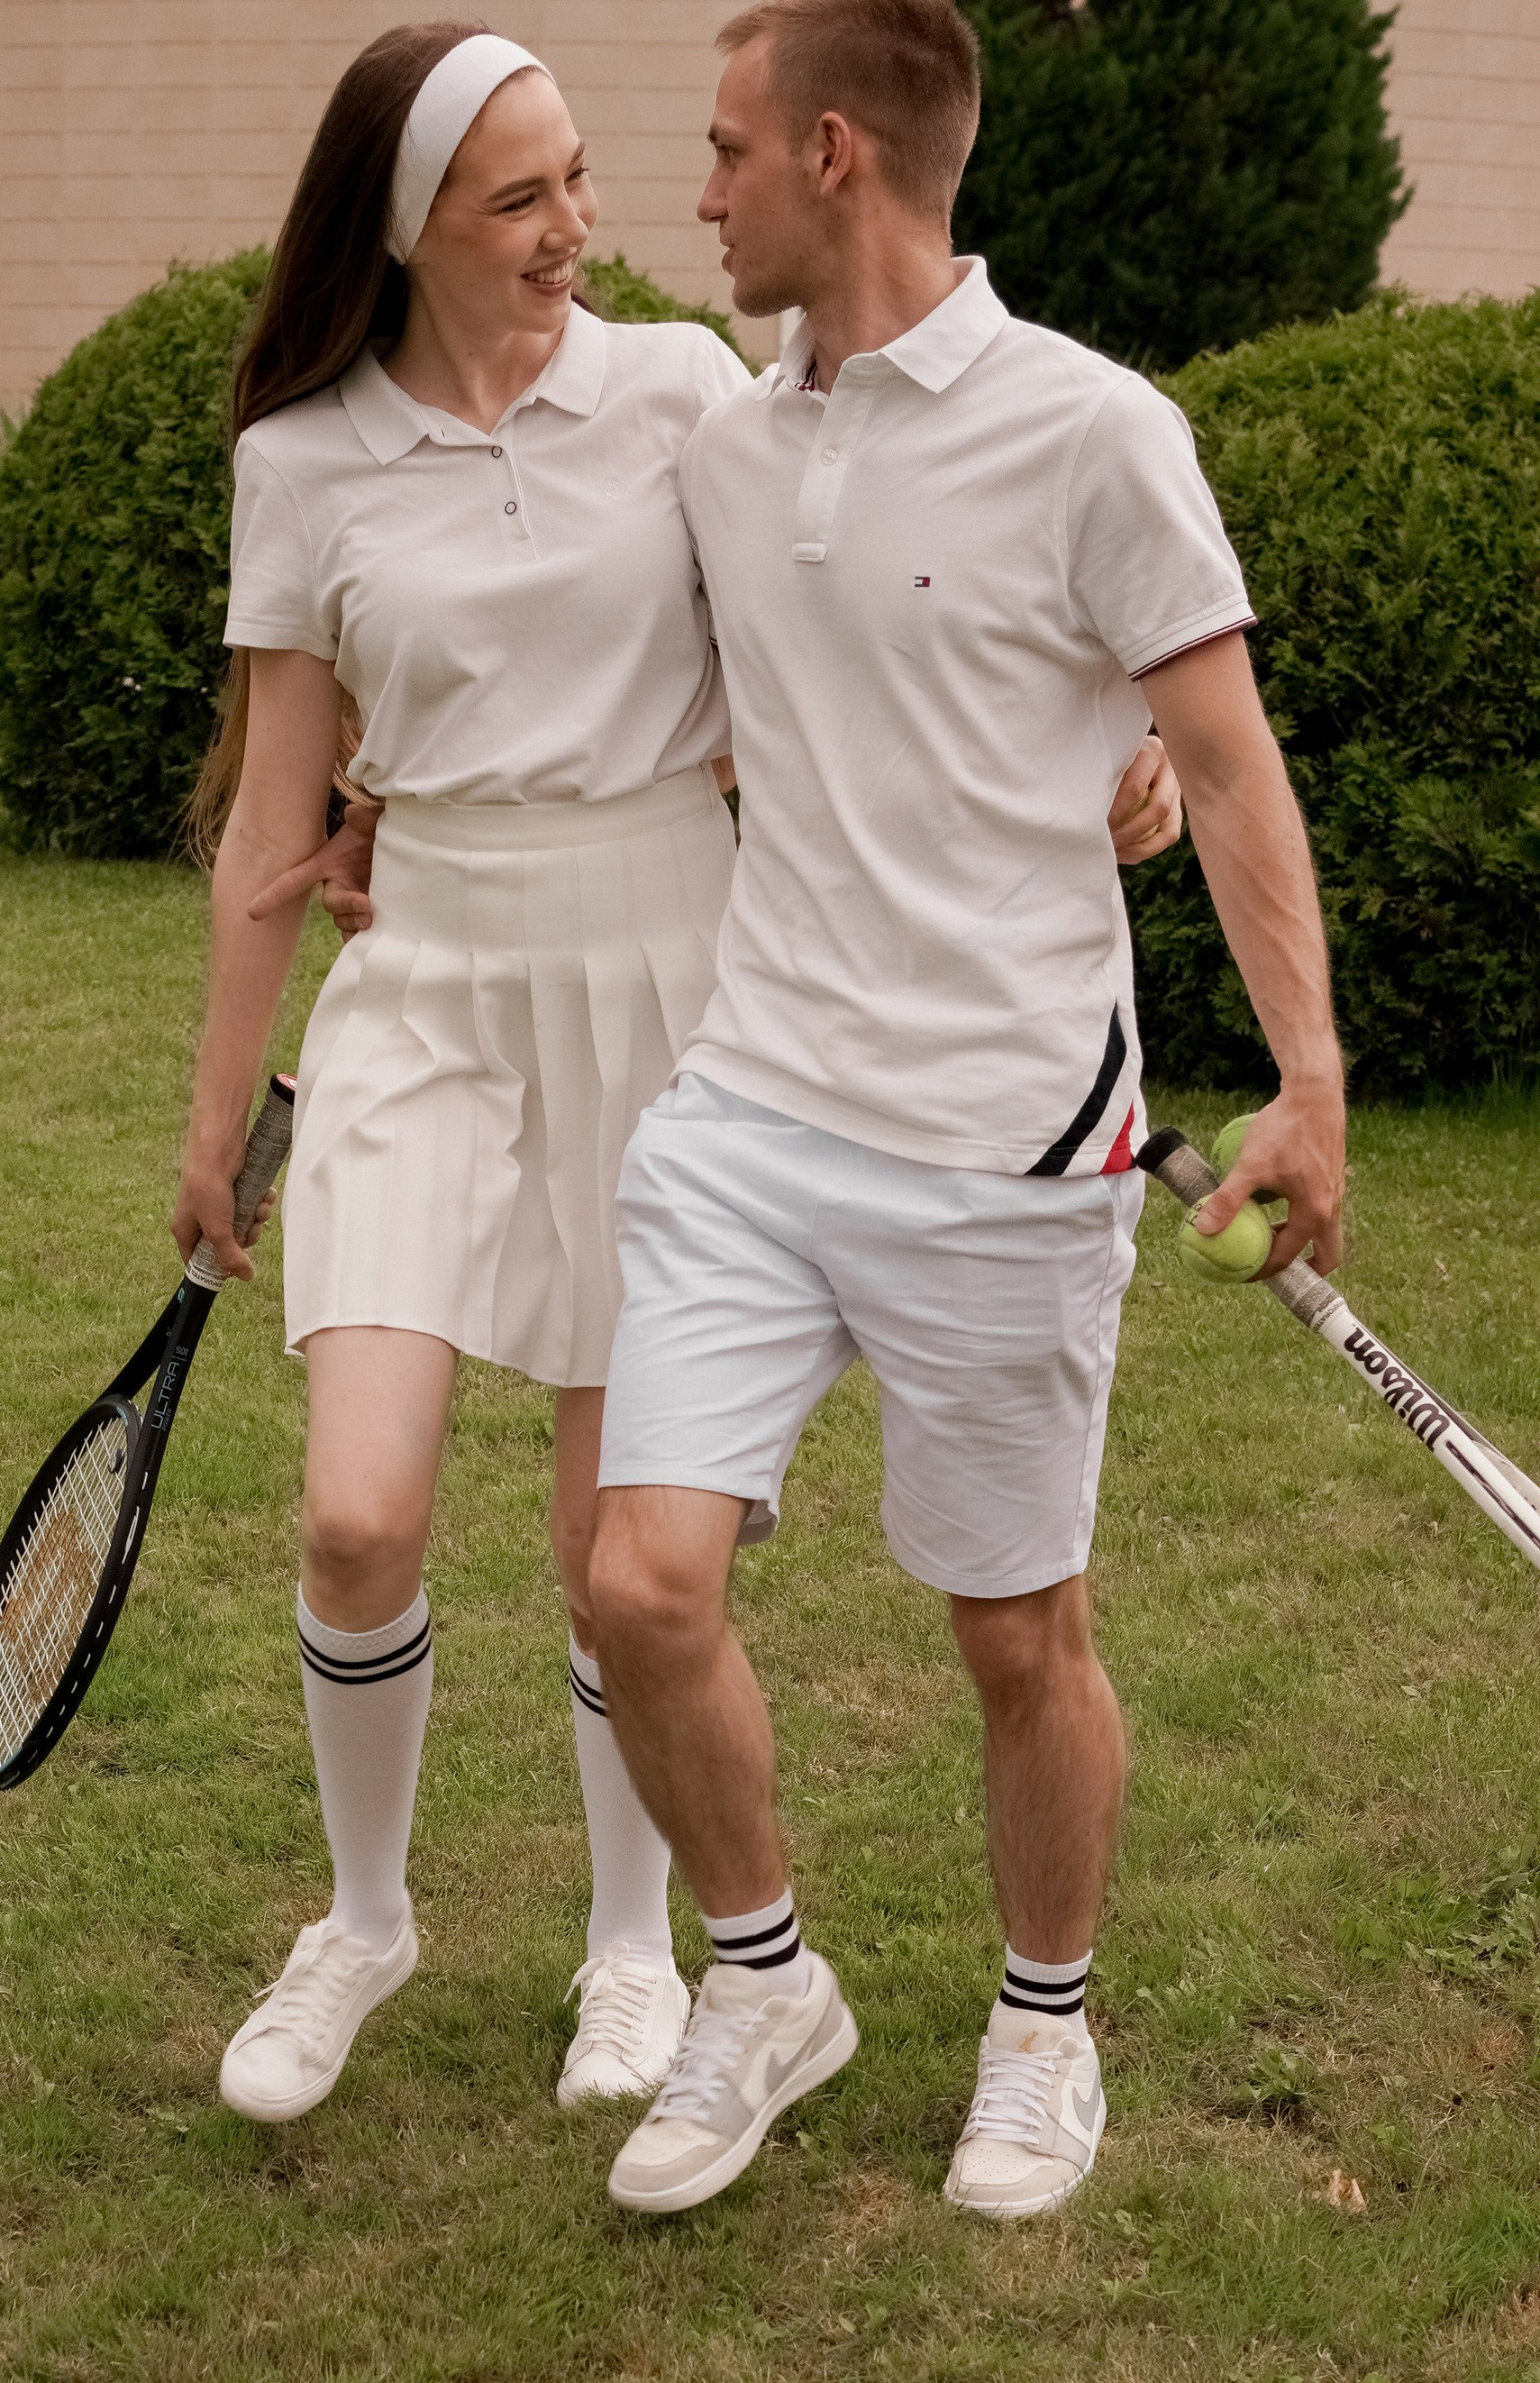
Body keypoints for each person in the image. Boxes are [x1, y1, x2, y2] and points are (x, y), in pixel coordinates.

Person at [173, 18, 1180, 2132]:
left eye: (576, 179)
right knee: (357, 1518)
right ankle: (361, 1919)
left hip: (668, 978)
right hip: (425, 986)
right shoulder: (301, 458)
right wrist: (212, 1122)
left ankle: (637, 1959)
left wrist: (1102, 764)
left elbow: (865, 644)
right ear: (409, 229)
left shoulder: (678, 395)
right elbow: (273, 823)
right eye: (519, 198)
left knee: (613, 1551)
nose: (578, 228)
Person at [586, 0, 1347, 2220]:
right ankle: (758, 1984)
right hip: (748, 1106)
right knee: (637, 1588)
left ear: (832, 152)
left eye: (723, 150)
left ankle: (1042, 2023)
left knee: (1015, 1638)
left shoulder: (1094, 433)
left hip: (1003, 1146)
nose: (694, 196)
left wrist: (1303, 1082)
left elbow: (1214, 761)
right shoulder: (726, 444)